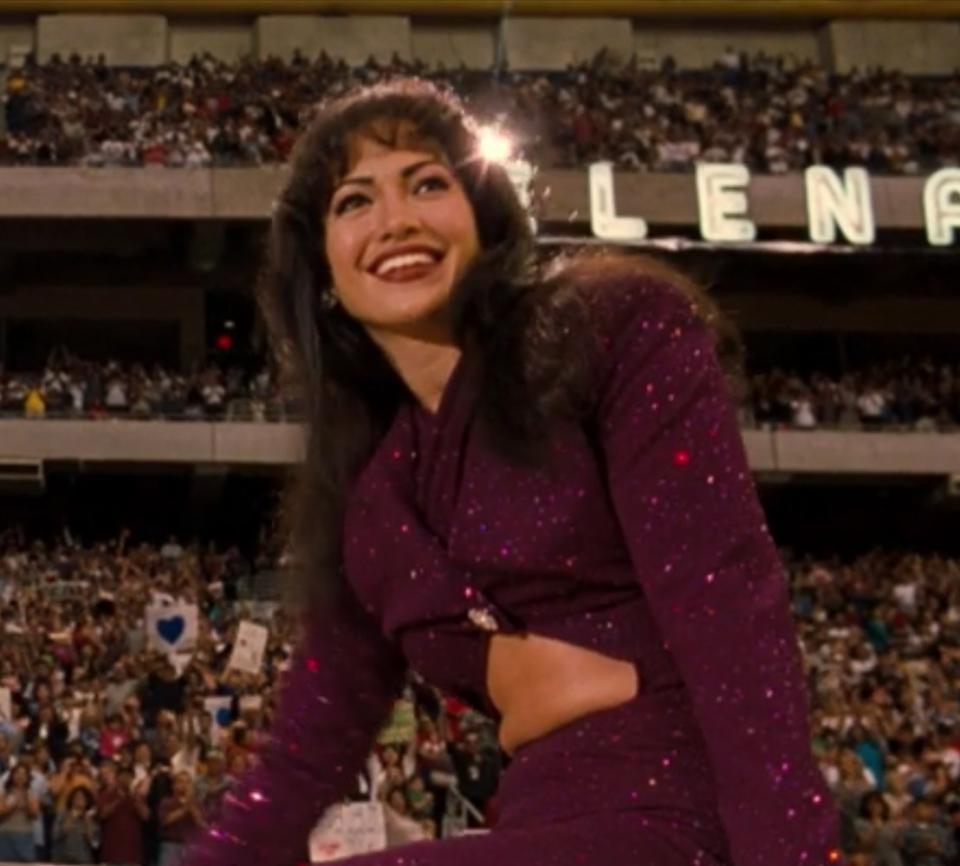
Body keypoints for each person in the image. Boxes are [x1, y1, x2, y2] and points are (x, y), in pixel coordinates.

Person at [181, 78, 843, 866]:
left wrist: (791, 854)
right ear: (322, 268)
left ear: (483, 221)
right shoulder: (370, 501)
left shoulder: (617, 328)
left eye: (428, 183)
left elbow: (727, 606)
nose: (398, 221)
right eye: (354, 201)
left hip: (678, 815)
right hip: (536, 823)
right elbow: (303, 755)